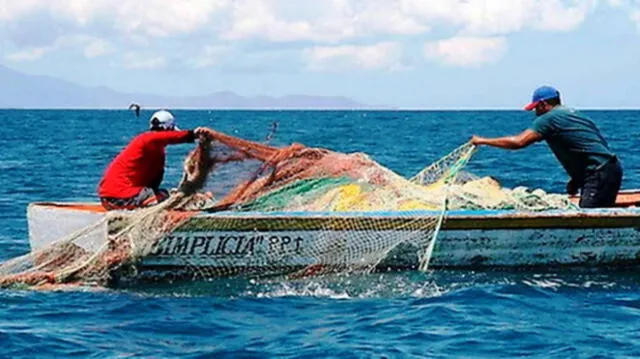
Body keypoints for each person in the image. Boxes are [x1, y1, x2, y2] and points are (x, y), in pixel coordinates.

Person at [470, 86, 622, 208]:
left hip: (598, 173)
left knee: (589, 221)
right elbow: (592, 145)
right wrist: (577, 179)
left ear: (543, 104)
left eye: (536, 108)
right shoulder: (575, 114)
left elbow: (519, 142)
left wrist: (483, 140)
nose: (536, 113)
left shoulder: (549, 118)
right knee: (599, 211)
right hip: (610, 168)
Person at [98, 110, 208, 210]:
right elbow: (172, 137)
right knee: (165, 199)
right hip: (118, 197)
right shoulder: (146, 139)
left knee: (164, 195)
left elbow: (154, 184)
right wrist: (194, 134)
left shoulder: (156, 151)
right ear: (168, 129)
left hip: (110, 198)